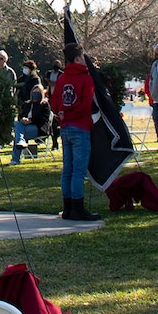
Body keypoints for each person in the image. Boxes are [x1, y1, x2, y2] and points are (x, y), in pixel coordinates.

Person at [52, 44, 101, 222]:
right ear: (78, 58)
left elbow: (54, 101)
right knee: (79, 170)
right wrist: (71, 113)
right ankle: (77, 208)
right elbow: (85, 105)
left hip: (65, 127)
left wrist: (62, 113)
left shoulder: (62, 78)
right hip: (80, 127)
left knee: (68, 169)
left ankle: (67, 208)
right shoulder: (86, 78)